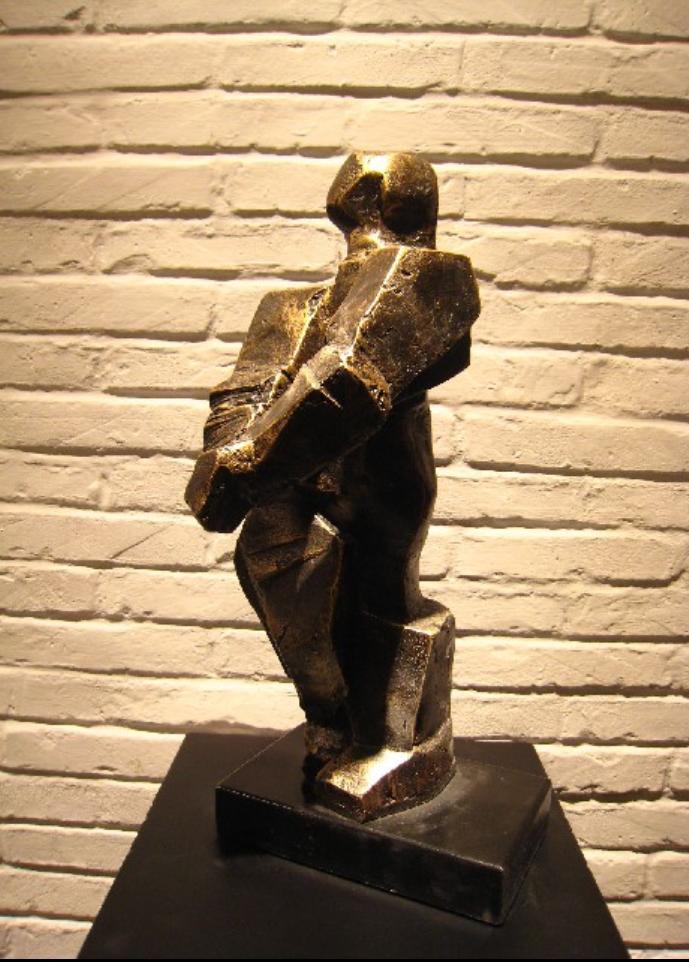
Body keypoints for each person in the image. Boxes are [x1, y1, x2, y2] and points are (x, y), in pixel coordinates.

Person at [186, 153, 480, 820]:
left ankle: (393, 740)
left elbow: (351, 377)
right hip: (302, 474)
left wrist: (243, 468)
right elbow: (248, 388)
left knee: (381, 586)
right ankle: (332, 716)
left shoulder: (434, 277)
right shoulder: (292, 307)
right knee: (274, 556)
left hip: (382, 478)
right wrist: (225, 457)